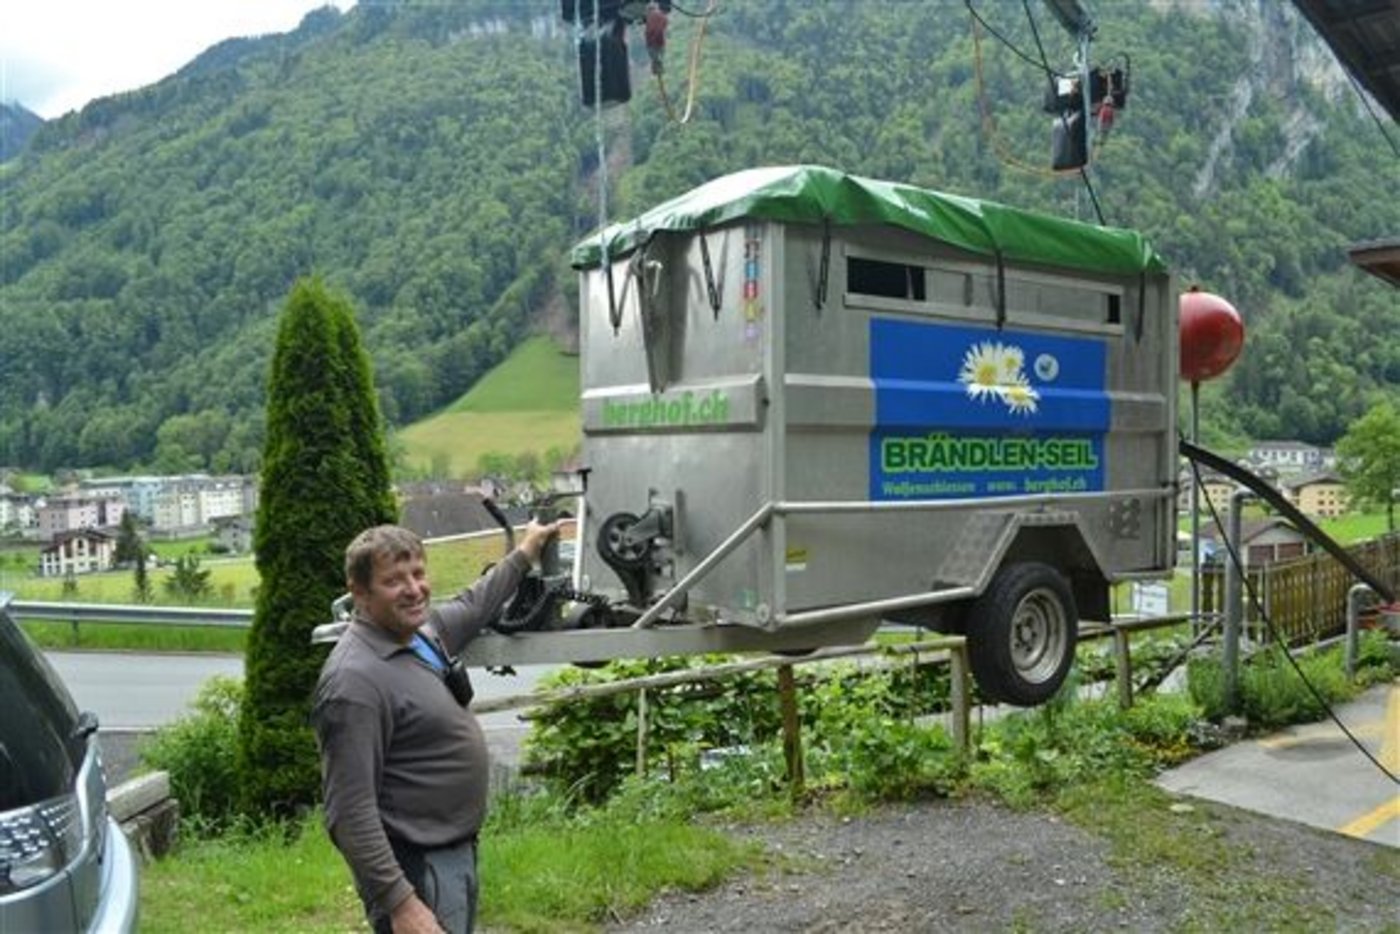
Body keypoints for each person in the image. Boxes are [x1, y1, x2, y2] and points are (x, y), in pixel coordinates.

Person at [312, 520, 560, 933]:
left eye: (419, 574)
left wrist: (526, 552)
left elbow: (475, 603)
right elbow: (348, 814)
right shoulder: (354, 681)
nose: (414, 589)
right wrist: (402, 905)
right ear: (359, 593)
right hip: (417, 865)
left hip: (451, 854)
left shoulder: (419, 636)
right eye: (394, 580)